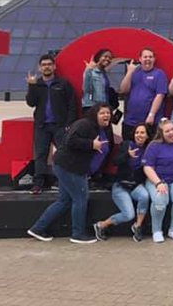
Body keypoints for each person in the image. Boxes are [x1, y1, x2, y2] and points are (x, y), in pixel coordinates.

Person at [27, 104, 112, 244]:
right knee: (81, 199)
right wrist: (91, 144)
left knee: (64, 200)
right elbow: (70, 141)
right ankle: (78, 234)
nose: (106, 115)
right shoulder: (84, 124)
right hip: (69, 168)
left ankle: (37, 228)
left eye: (108, 113)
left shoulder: (98, 128)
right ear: (94, 114)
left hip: (67, 167)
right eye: (102, 113)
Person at [25, 54, 77, 194]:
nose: (46, 66)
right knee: (41, 155)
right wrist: (31, 86)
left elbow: (72, 104)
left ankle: (63, 181)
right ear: (39, 68)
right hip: (42, 126)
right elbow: (31, 103)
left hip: (60, 126)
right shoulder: (37, 84)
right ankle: (38, 183)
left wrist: (69, 123)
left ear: (54, 67)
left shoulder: (63, 83)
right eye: (44, 65)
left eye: (49, 64)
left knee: (63, 154)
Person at [93, 123, 151, 242]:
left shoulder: (148, 150)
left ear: (147, 136)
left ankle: (138, 226)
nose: (139, 135)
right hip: (121, 185)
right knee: (128, 215)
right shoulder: (127, 145)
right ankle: (101, 225)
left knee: (145, 195)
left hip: (135, 185)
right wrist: (127, 155)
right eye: (137, 132)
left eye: (142, 133)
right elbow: (116, 162)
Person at [119, 48, 168, 141]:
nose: (148, 59)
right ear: (140, 59)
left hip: (150, 122)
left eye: (150, 57)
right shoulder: (134, 72)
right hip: (131, 121)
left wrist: (151, 115)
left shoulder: (159, 74)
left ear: (154, 59)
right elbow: (123, 90)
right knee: (128, 148)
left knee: (149, 150)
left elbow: (160, 95)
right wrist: (129, 72)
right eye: (145, 57)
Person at [81, 48, 116, 114]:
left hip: (102, 107)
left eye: (110, 58)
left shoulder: (104, 73)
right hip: (92, 107)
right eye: (105, 56)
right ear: (98, 57)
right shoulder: (91, 71)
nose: (108, 59)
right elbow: (85, 89)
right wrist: (88, 70)